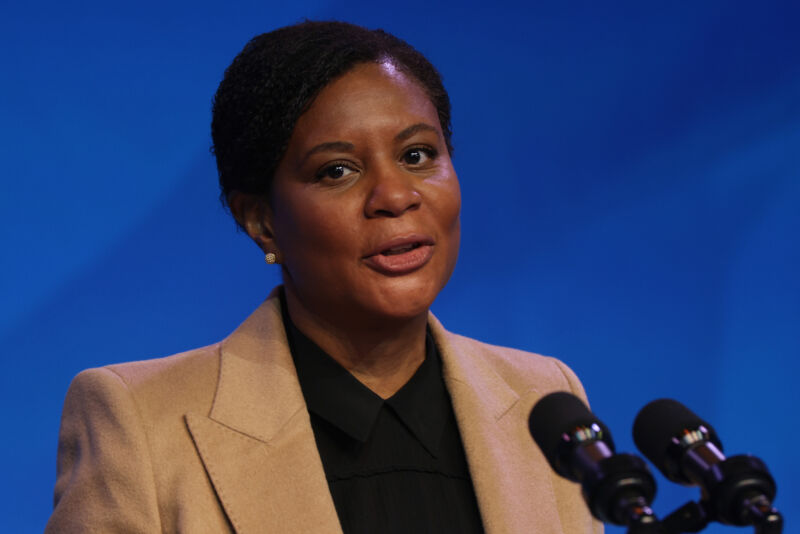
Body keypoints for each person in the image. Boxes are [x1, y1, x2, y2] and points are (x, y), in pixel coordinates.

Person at [46, 21, 602, 533]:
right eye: (337, 170)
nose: (395, 196)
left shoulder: (544, 399)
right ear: (261, 221)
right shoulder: (140, 423)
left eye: (417, 154)